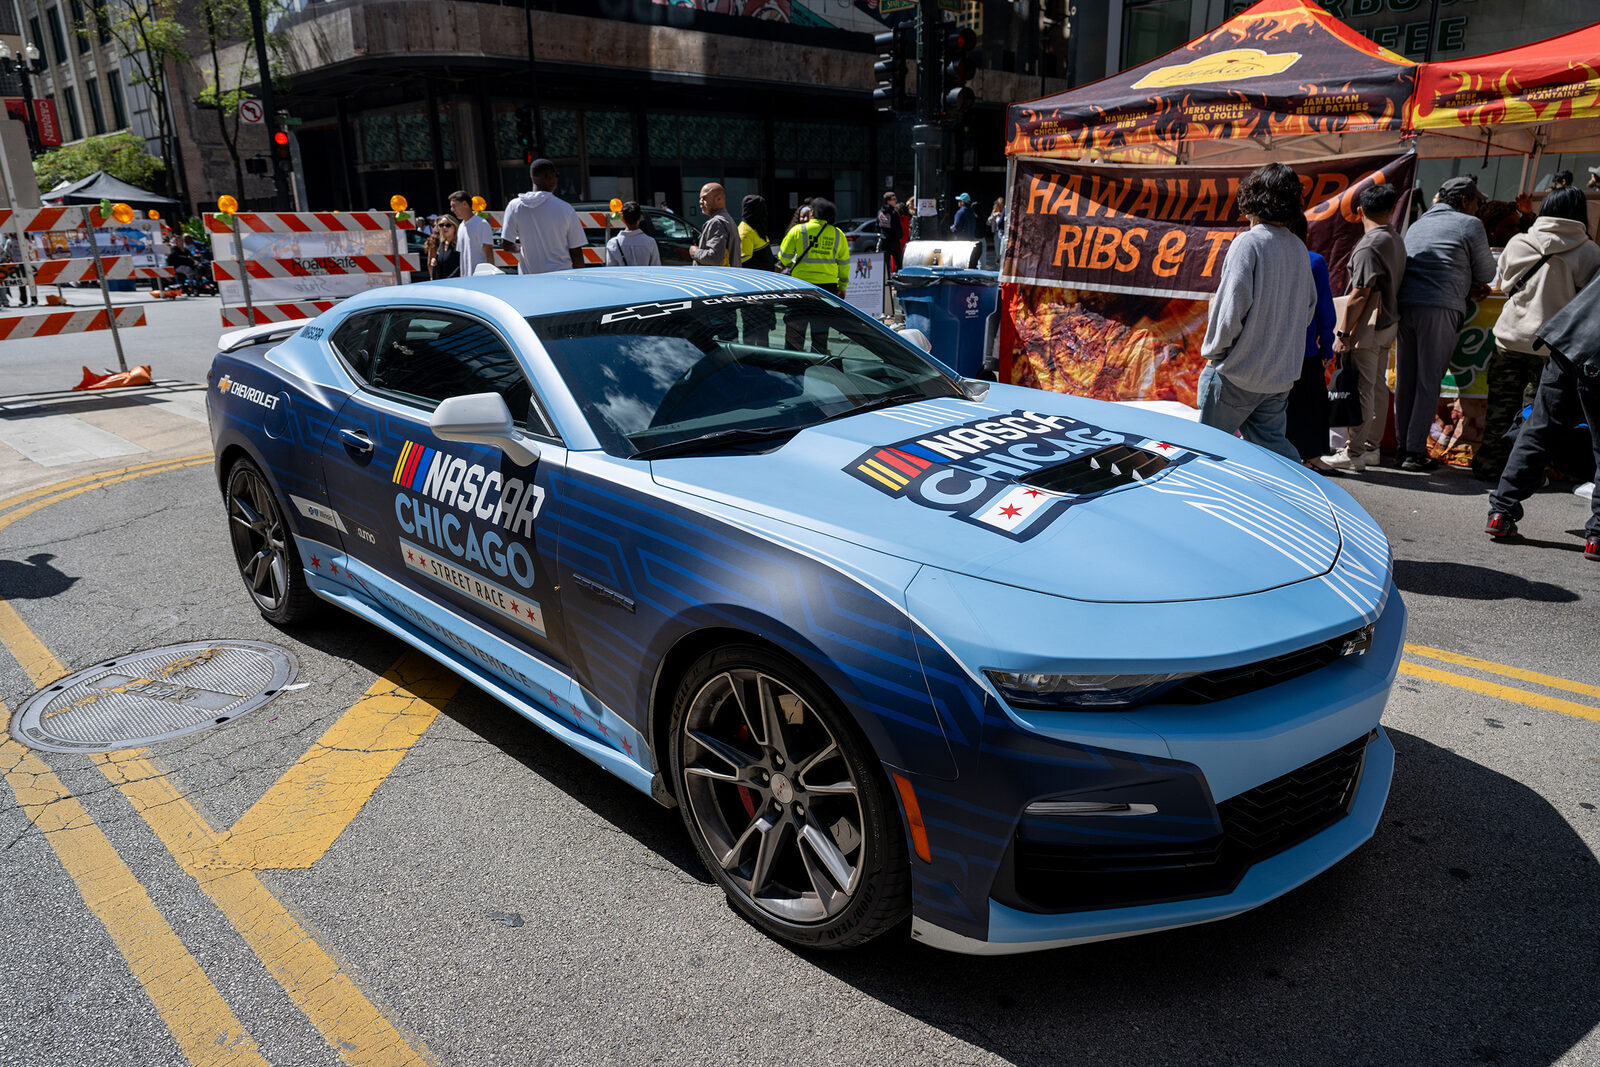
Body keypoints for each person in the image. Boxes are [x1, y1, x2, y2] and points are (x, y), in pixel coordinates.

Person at [1471, 186, 1600, 481]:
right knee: (1538, 416)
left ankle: (1489, 464)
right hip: (1552, 347)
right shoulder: (1589, 251)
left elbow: (1503, 286)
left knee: (1500, 409)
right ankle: (1529, 473)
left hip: (1509, 339)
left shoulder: (1518, 242)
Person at [1197, 162, 1316, 461]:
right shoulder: (1299, 249)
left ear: (1251, 197)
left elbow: (1230, 309)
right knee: (1275, 454)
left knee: (1204, 451)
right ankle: (1299, 494)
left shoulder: (1249, 243)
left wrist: (1216, 354)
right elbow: (1307, 312)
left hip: (1238, 372)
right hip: (1278, 377)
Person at [1486, 273, 1600, 561]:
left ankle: (1501, 511)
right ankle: (1597, 535)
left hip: (1567, 338)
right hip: (1592, 355)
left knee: (1540, 428)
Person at [1393, 175, 1495, 471]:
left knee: (1407, 381)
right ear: (1464, 201)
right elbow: (1487, 271)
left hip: (1407, 304)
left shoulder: (1418, 224)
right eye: (1477, 202)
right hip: (1440, 306)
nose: (1478, 208)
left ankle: (1403, 447)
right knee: (1428, 382)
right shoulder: (1469, 224)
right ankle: (1414, 452)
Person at [1323, 184, 1407, 473]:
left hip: (1367, 327)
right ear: (1392, 209)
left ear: (1359, 212)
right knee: (1377, 388)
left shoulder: (1370, 245)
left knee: (1363, 389)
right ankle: (1371, 448)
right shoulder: (1395, 239)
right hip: (1388, 323)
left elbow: (1359, 295)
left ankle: (1355, 453)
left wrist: (1343, 334)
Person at [1284, 213, 1337, 468]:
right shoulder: (1314, 262)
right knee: (1311, 405)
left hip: (1271, 350)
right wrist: (1326, 344)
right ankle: (1312, 458)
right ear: (1306, 236)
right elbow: (1324, 308)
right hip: (1305, 350)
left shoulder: (1270, 258)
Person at [779, 196, 850, 354]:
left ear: (812, 212)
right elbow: (844, 264)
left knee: (795, 332)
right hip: (827, 289)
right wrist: (842, 287)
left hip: (800, 287)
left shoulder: (798, 230)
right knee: (821, 332)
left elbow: (784, 257)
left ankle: (793, 365)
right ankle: (818, 365)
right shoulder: (838, 234)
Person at [501, 158, 586, 274]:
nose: (556, 179)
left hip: (529, 279)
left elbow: (506, 244)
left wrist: (519, 248)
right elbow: (576, 251)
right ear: (549, 176)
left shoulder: (514, 206)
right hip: (560, 277)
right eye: (556, 175)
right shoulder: (565, 209)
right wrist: (580, 279)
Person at [738, 194, 777, 345]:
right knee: (751, 331)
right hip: (753, 293)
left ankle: (764, 361)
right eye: (763, 209)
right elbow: (743, 261)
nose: (766, 212)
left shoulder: (755, 228)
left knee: (763, 330)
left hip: (764, 290)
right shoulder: (745, 231)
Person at [690, 182, 738, 267]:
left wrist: (695, 252)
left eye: (704, 198)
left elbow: (714, 258)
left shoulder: (717, 222)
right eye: (700, 198)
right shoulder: (727, 219)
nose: (700, 202)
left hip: (718, 278)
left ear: (719, 199)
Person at [448, 190, 493, 277]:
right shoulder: (461, 226)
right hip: (467, 279)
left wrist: (491, 277)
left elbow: (489, 252)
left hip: (482, 278)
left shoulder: (481, 224)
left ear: (465, 204)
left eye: (454, 206)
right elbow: (462, 257)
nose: (452, 210)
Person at [604, 201, 660, 266]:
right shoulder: (650, 242)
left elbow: (611, 270)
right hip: (644, 276)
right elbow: (656, 268)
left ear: (623, 219)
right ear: (639, 219)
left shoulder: (613, 243)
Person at [426, 214, 460, 279]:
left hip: (456, 284)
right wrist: (435, 264)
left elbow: (461, 267)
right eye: (441, 225)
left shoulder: (459, 244)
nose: (444, 227)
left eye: (448, 225)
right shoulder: (442, 244)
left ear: (455, 226)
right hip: (443, 284)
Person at [876, 191, 903, 271]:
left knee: (885, 263)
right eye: (893, 199)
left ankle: (886, 279)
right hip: (893, 240)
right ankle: (898, 279)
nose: (895, 201)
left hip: (883, 239)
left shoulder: (880, 212)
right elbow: (897, 227)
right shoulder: (894, 213)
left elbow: (877, 225)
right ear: (888, 201)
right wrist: (899, 236)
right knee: (898, 262)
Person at [986, 197, 1006, 268]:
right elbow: (988, 222)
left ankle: (1002, 267)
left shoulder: (1005, 211)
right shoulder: (995, 213)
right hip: (996, 234)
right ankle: (998, 267)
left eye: (1002, 205)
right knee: (998, 253)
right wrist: (995, 215)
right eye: (999, 205)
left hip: (1003, 233)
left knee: (1002, 252)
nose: (1001, 207)